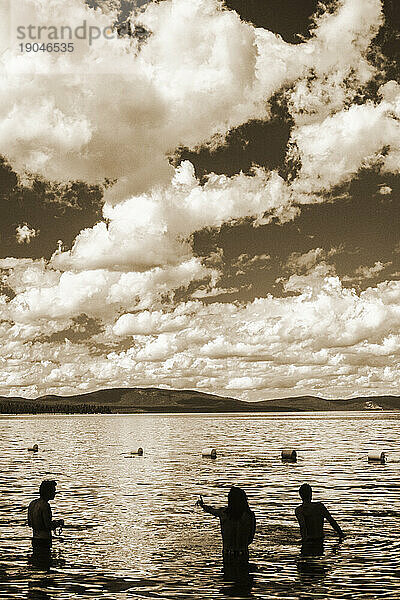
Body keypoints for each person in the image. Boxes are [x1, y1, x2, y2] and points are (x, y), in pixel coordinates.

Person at [197, 486, 256, 579]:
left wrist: (202, 505)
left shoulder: (223, 514)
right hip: (243, 554)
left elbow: (211, 510)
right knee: (244, 582)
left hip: (228, 555)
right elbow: (251, 538)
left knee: (228, 580)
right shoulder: (249, 516)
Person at [295, 483, 344, 556]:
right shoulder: (320, 506)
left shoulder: (300, 510)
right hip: (320, 541)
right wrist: (341, 534)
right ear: (311, 494)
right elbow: (332, 521)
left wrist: (304, 542)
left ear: (300, 495)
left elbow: (303, 526)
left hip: (309, 542)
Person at [28, 480, 64, 560]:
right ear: (48, 492)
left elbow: (30, 523)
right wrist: (58, 523)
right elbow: (48, 526)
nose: (55, 493)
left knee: (37, 562)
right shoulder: (45, 506)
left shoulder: (32, 503)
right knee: (45, 564)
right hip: (44, 541)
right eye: (53, 491)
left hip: (35, 539)